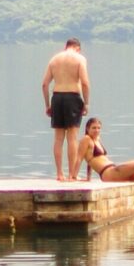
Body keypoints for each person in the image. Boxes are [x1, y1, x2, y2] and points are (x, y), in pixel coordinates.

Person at [41, 36, 91, 181]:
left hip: (56, 97)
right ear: (78, 48)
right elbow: (85, 83)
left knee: (58, 138)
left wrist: (47, 105)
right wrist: (86, 103)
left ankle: (59, 174)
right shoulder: (79, 59)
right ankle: (71, 175)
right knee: (72, 137)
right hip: (72, 97)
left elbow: (44, 84)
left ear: (66, 46)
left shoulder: (54, 59)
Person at [76, 117, 134, 185]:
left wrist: (88, 177)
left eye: (99, 128)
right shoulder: (86, 139)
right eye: (94, 128)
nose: (96, 130)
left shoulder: (97, 139)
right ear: (87, 128)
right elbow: (79, 158)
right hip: (108, 173)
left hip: (114, 169)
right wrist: (74, 176)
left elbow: (90, 160)